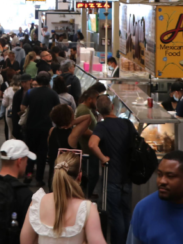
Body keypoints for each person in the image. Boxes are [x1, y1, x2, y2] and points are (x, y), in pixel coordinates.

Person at [20, 151, 106, 244]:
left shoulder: (38, 202)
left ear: (55, 173)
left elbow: (25, 241)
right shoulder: (87, 209)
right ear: (80, 177)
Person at [88, 96, 135, 244]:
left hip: (112, 177)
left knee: (115, 215)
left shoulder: (101, 126)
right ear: (113, 107)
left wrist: (103, 158)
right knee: (126, 213)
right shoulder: (127, 123)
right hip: (127, 176)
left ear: (98, 111)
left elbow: (92, 144)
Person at [21, 73, 62, 187]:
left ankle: (28, 174)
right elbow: (58, 109)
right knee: (42, 153)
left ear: (37, 81)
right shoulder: (53, 94)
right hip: (46, 127)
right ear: (49, 81)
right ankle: (39, 178)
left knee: (30, 151)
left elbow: (22, 107)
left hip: (31, 126)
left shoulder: (30, 92)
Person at [47, 106, 91, 188]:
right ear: (69, 116)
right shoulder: (72, 135)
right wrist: (72, 122)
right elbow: (88, 117)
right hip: (70, 178)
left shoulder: (52, 130)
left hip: (54, 174)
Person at [74, 88, 99, 198]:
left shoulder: (85, 108)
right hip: (87, 149)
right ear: (90, 99)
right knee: (92, 175)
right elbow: (83, 130)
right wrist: (97, 135)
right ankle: (86, 195)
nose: (97, 103)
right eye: (96, 100)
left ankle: (88, 193)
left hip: (88, 148)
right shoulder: (84, 110)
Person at [12, 74, 33, 142]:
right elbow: (14, 108)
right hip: (20, 120)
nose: (23, 84)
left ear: (30, 81)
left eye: (25, 82)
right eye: (22, 82)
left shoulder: (34, 92)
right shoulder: (18, 94)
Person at [3, 75, 22, 140]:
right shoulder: (23, 90)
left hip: (9, 111)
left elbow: (4, 103)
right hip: (21, 111)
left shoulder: (8, 90)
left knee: (10, 130)